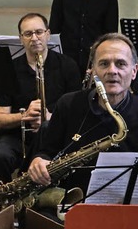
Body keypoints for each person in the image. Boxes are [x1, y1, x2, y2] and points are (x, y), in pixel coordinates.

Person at [28, 33, 138, 198]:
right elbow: (47, 152)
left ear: (134, 71)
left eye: (121, 64)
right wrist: (39, 161)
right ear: (93, 71)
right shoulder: (68, 104)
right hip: (70, 202)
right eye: (104, 63)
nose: (112, 71)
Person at [0, 13, 80, 187]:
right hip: (17, 135)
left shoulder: (68, 66)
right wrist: (25, 116)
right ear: (20, 38)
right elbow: (0, 119)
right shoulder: (8, 70)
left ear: (48, 34)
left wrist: (51, 117)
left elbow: (76, 113)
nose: (35, 38)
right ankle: (2, 201)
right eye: (28, 34)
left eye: (39, 32)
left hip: (55, 136)